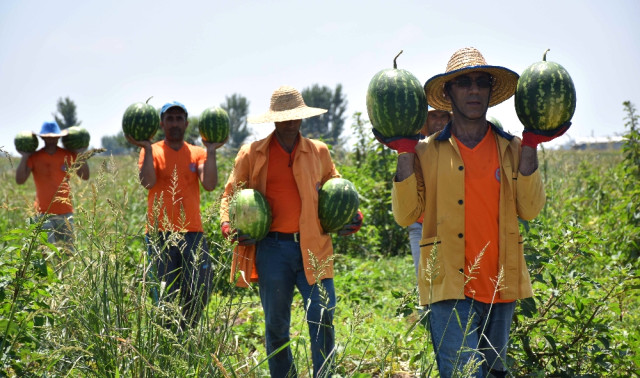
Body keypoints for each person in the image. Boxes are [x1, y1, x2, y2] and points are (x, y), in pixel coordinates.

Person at [375, 47, 569, 377]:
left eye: (481, 82)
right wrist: (405, 153)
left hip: (499, 283)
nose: (474, 90)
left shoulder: (512, 148)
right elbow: (406, 215)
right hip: (449, 284)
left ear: (491, 92)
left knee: (494, 373)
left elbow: (531, 209)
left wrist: (532, 145)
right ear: (448, 94)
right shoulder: (426, 152)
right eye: (464, 83)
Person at [219, 85, 363, 378]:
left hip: (314, 246)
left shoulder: (318, 151)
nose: (290, 121)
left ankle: (324, 374)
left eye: (295, 115)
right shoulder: (253, 153)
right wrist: (226, 224)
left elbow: (336, 185)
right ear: (274, 118)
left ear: (302, 117)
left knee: (322, 316)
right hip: (272, 249)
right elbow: (230, 194)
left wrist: (353, 215)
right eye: (284, 115)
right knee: (276, 325)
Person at [126, 101, 226, 331]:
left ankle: (185, 333)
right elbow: (147, 182)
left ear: (186, 123)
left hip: (192, 233)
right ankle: (166, 338)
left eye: (179, 118)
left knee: (200, 287)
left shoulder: (198, 153)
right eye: (169, 119)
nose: (174, 123)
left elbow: (209, 184)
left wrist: (211, 151)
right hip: (159, 234)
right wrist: (148, 148)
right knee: (164, 293)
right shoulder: (151, 151)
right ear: (161, 123)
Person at [15, 121, 90, 250]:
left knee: (68, 253)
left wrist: (81, 154)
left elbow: (85, 176)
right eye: (47, 137)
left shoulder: (68, 155)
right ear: (42, 138)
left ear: (59, 137)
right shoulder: (35, 157)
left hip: (65, 211)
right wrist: (25, 157)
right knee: (46, 253)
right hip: (42, 213)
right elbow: (20, 180)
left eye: (54, 137)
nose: (50, 140)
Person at [408, 108, 451, 282]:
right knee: (426, 280)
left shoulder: (457, 147)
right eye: (434, 116)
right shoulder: (418, 149)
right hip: (420, 225)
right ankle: (424, 310)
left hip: (450, 224)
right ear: (426, 121)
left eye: (443, 117)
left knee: (451, 279)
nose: (439, 121)